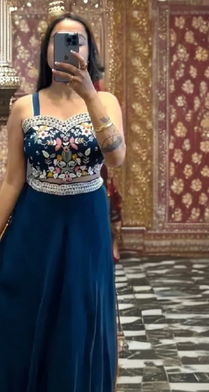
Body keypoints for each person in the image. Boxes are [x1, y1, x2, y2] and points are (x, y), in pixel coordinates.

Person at [0, 13, 126, 392]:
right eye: (59, 40)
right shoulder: (23, 107)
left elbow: (117, 158)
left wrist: (89, 95)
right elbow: (13, 179)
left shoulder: (106, 101)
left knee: (80, 317)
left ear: (90, 50)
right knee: (32, 314)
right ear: (47, 51)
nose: (70, 47)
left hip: (86, 224)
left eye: (78, 40)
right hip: (36, 224)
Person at [93, 73, 123, 262]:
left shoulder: (102, 92)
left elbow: (116, 154)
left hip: (96, 155)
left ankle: (110, 241)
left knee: (105, 196)